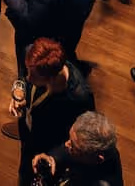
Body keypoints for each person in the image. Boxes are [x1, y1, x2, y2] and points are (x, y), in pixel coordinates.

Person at [12, 37, 96, 184]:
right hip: (29, 136)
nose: (29, 78)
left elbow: (80, 139)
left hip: (48, 150)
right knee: (24, 173)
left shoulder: (79, 98)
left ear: (51, 78)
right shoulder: (34, 58)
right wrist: (19, 93)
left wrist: (53, 157)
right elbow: (23, 78)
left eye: (33, 76)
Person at [30, 111, 125, 186]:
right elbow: (65, 152)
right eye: (69, 139)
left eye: (73, 146)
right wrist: (52, 158)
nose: (66, 144)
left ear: (98, 159)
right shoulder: (92, 152)